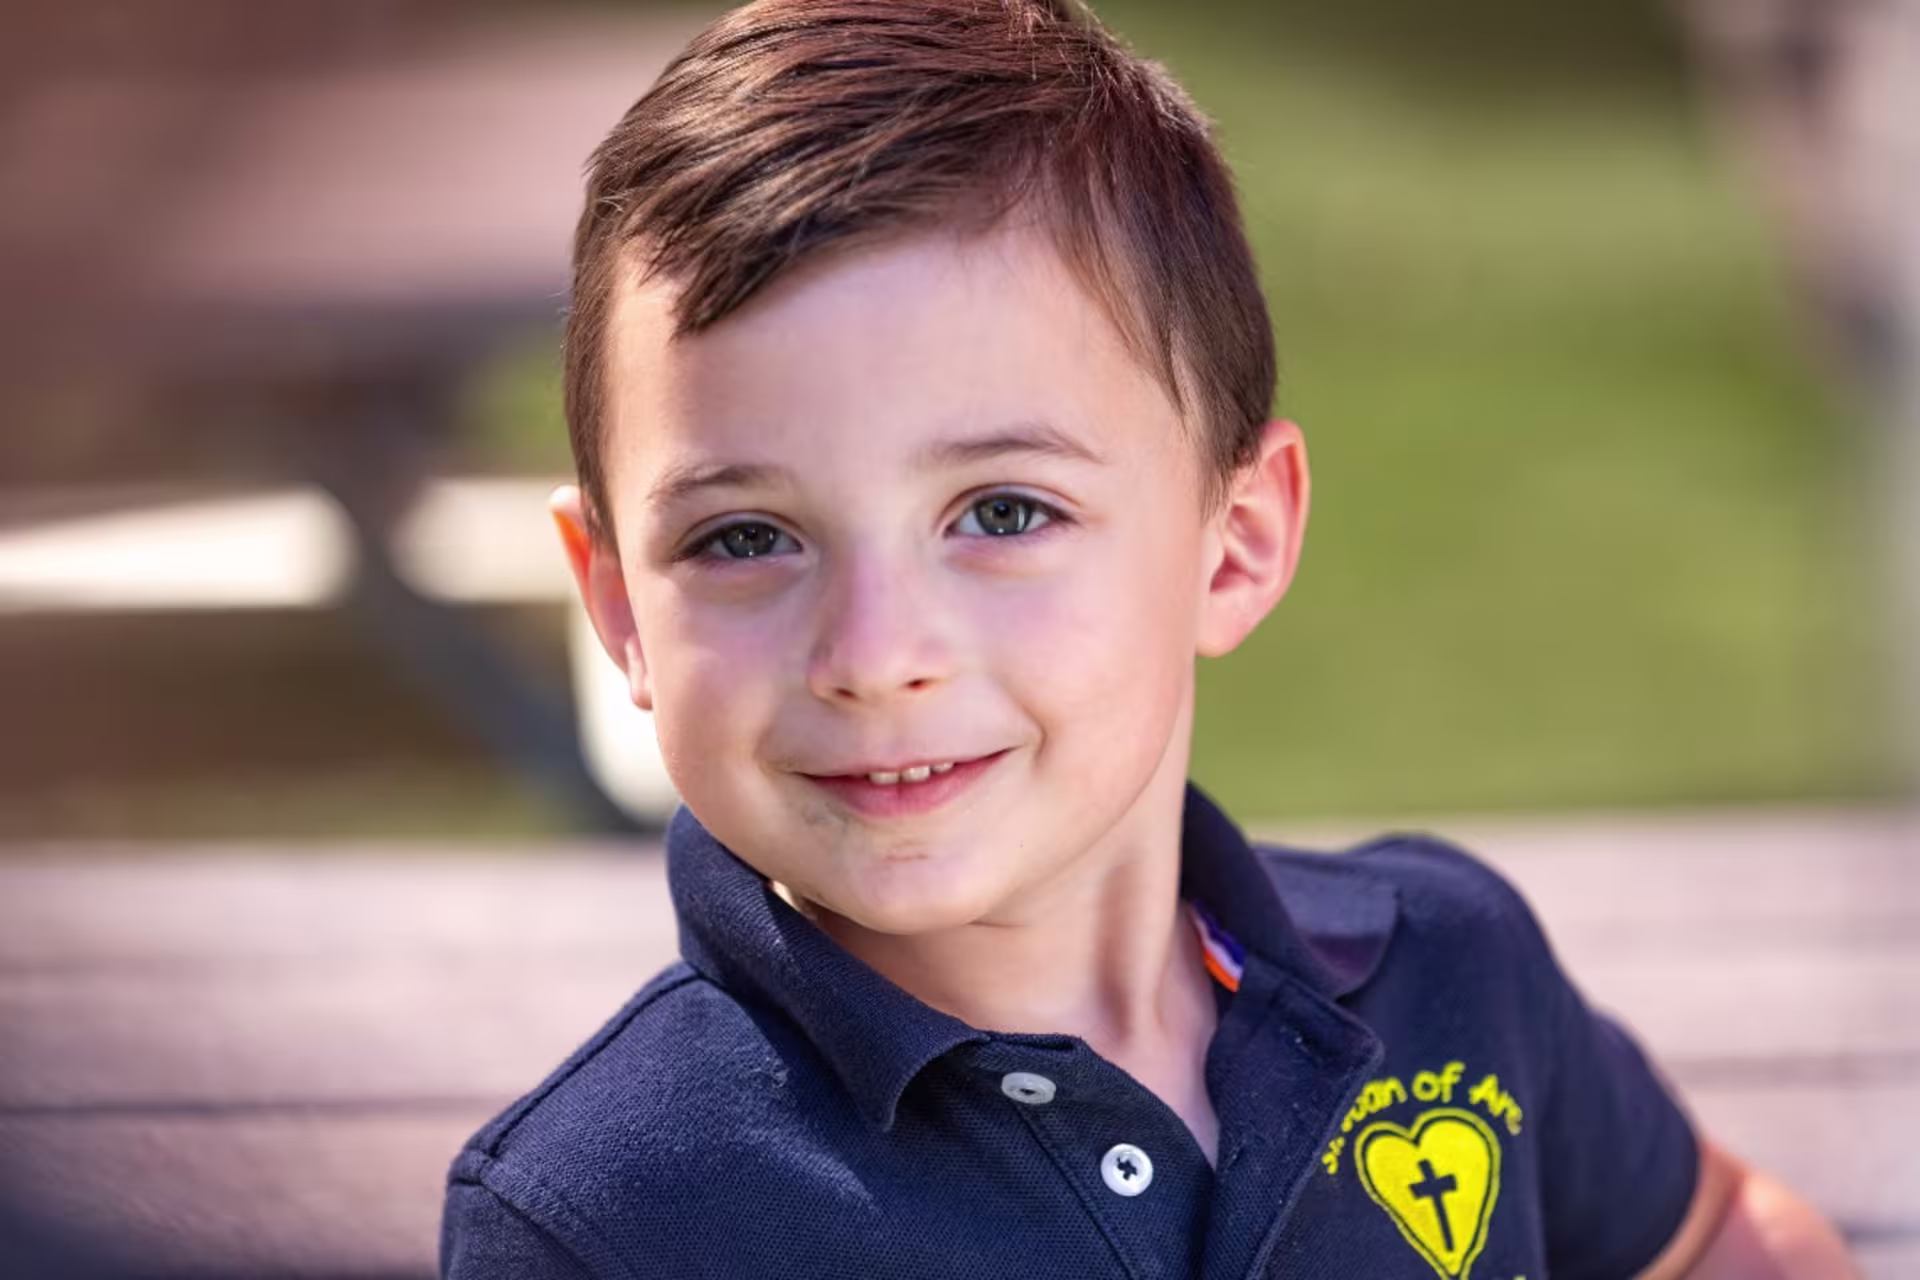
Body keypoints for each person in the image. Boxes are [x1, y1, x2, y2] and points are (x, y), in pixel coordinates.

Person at [439, 2, 1856, 1275]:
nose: (872, 655)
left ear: (1231, 547)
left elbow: (1722, 1234)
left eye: (1000, 510)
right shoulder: (610, 1216)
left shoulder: (1452, 971)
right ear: (620, 602)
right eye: (744, 538)